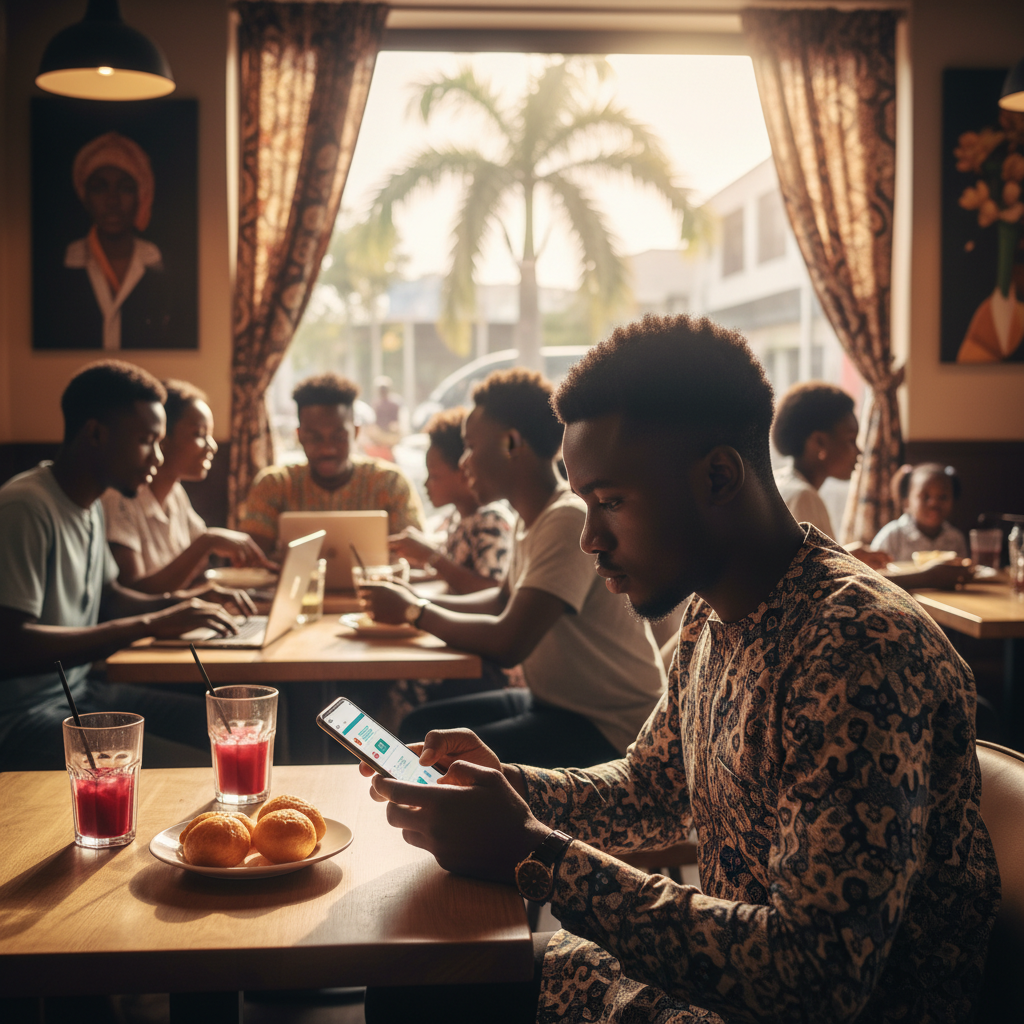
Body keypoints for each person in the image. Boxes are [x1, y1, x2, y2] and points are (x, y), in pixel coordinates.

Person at [360, 314, 999, 1024]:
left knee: (430, 990)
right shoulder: (712, 615)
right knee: (419, 975)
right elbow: (650, 786)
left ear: (720, 475)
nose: (590, 537)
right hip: (717, 982)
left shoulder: (859, 650)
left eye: (610, 502)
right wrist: (509, 788)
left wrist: (535, 851)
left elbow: (817, 981)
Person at [362, 368, 665, 769]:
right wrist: (412, 600)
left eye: (470, 446)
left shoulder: (567, 519)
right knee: (424, 725)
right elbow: (502, 600)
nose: (465, 461)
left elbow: (509, 643)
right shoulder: (530, 518)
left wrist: (413, 612)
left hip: (609, 726)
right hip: (554, 703)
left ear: (511, 442)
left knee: (439, 757)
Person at [0, 361, 254, 772]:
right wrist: (150, 625)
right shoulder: (25, 507)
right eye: (145, 441)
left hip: (83, 693)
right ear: (96, 434)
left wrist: (181, 605)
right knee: (192, 766)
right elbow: (10, 645)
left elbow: (112, 598)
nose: (157, 456)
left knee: (227, 726)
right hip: (21, 719)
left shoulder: (90, 506)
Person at [772, 381, 972, 590]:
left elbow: (808, 567)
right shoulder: (803, 497)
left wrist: (845, 555)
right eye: (851, 440)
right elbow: (823, 587)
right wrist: (928, 578)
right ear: (819, 442)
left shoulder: (785, 484)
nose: (858, 452)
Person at [102, 379, 275, 592]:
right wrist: (208, 542)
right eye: (200, 435)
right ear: (162, 437)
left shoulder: (175, 495)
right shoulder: (120, 498)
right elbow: (134, 594)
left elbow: (195, 569)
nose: (212, 446)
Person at [240, 372, 424, 555]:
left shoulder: (390, 483)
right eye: (314, 438)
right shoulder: (273, 485)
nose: (327, 449)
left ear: (356, 432)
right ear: (299, 436)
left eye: (339, 437)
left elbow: (417, 558)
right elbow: (252, 562)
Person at [40, 131, 175, 351]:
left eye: (124, 188)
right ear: (84, 196)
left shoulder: (164, 269)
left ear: (141, 195)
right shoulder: (56, 269)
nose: (112, 201)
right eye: (100, 188)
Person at [390, 406, 515, 594]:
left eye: (434, 476)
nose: (425, 484)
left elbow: (492, 589)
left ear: (464, 471)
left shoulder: (491, 521)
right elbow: (451, 575)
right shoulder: (457, 519)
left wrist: (431, 556)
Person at [871, 463, 969, 563]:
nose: (934, 504)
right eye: (925, 497)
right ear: (907, 502)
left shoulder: (955, 538)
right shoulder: (892, 536)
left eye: (943, 497)